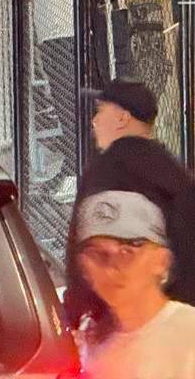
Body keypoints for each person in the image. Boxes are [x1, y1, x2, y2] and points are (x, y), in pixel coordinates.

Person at [64, 80, 195, 333]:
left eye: (101, 111)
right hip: (176, 323)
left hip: (120, 330)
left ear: (122, 118)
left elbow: (84, 251)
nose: (95, 121)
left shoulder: (105, 172)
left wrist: (76, 316)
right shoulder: (176, 174)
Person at [75, 190, 195, 378]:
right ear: (84, 267)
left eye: (127, 251)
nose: (111, 268)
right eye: (97, 254)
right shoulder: (88, 343)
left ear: (162, 260)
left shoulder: (188, 335)